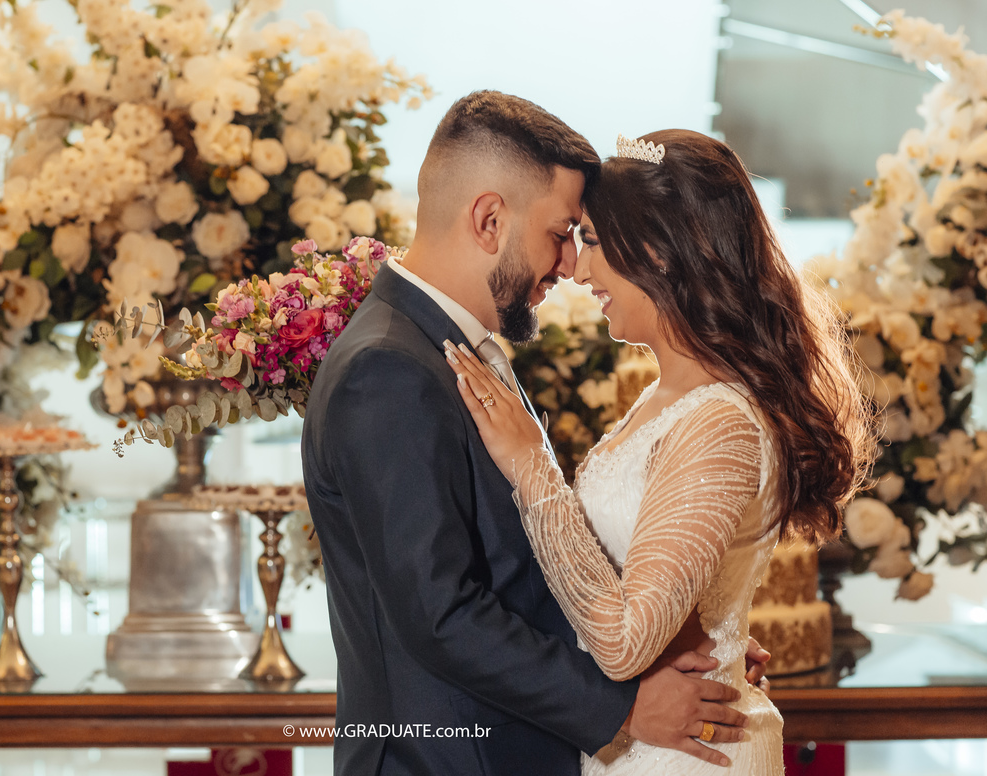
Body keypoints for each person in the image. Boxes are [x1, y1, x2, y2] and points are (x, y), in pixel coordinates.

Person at [302, 96, 769, 776]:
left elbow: (518, 567)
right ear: (489, 220)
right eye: (561, 232)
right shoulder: (388, 370)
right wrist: (623, 708)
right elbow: (440, 614)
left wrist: (677, 627)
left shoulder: (452, 348)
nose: (570, 264)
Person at [443, 128, 876, 774]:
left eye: (593, 241)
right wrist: (696, 628)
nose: (579, 270)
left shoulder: (720, 421)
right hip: (650, 740)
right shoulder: (664, 396)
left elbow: (623, 644)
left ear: (659, 251)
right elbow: (647, 579)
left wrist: (534, 467)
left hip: (689, 755)